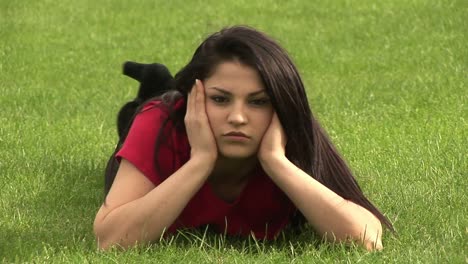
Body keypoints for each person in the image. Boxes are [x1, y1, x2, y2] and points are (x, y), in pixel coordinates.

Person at [93, 25, 394, 251]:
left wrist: (276, 162)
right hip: (161, 113)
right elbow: (110, 239)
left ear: (279, 106)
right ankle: (156, 81)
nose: (238, 117)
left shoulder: (291, 137)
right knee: (137, 113)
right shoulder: (163, 123)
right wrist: (200, 162)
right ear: (196, 99)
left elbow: (365, 239)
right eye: (221, 100)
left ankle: (161, 80)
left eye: (258, 102)